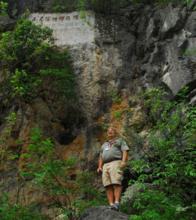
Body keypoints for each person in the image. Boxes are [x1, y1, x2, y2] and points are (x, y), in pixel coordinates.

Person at [97, 126, 129, 211]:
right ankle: (111, 204)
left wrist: (123, 161)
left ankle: (117, 203)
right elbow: (100, 156)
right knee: (107, 185)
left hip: (116, 162)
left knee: (116, 182)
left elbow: (125, 150)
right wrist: (100, 166)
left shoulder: (120, 141)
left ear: (115, 133)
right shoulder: (104, 144)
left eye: (112, 131)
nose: (110, 132)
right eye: (108, 131)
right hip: (105, 165)